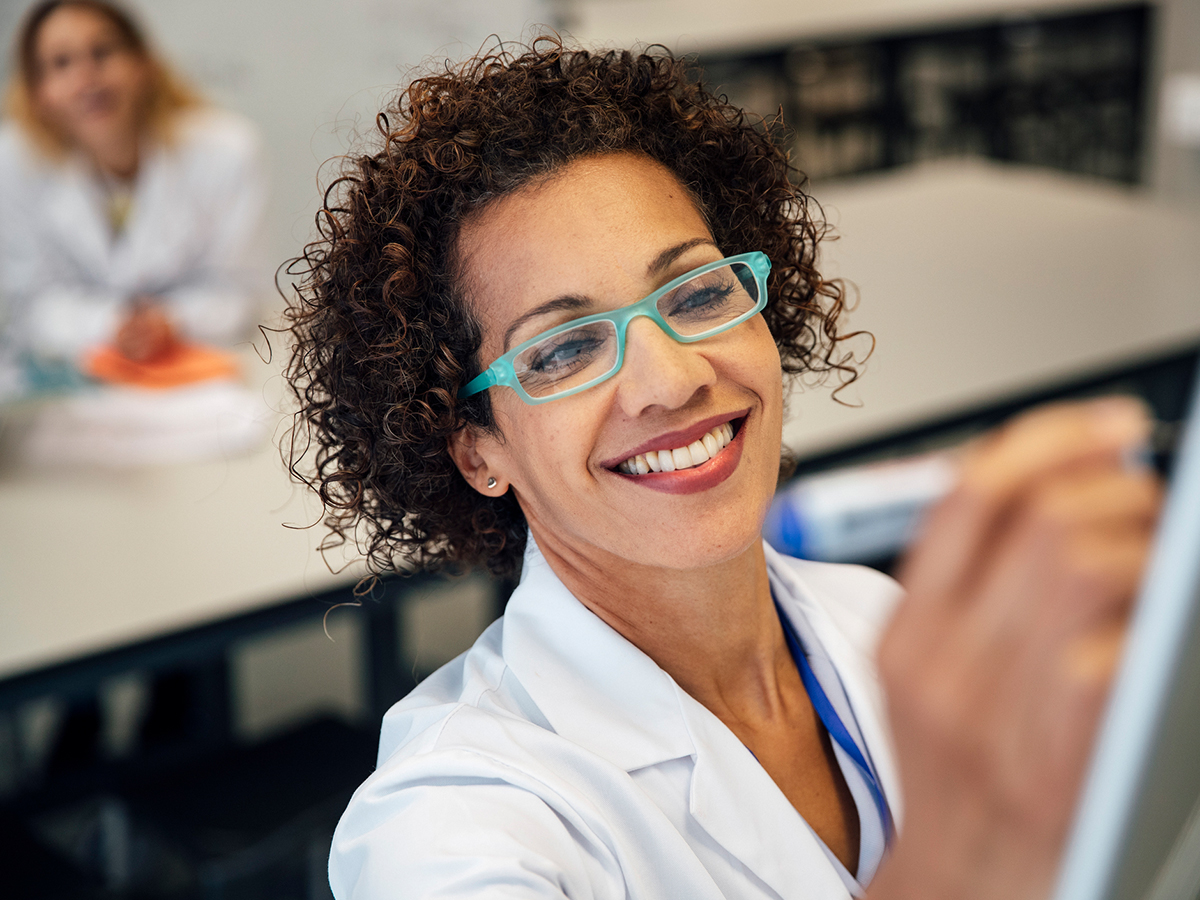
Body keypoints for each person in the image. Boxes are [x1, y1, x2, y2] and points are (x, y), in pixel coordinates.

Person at [283, 39, 1162, 900]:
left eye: (700, 294)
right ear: (478, 450)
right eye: (565, 349)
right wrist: (963, 847)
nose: (672, 380)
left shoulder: (880, 622)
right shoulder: (449, 825)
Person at [0, 0, 265, 365]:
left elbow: (240, 296)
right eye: (61, 63)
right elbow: (31, 304)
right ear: (38, 91)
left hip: (197, 363)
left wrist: (172, 320)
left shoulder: (225, 151)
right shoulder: (16, 163)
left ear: (143, 64)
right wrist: (111, 324)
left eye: (102, 52)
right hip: (73, 369)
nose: (85, 79)